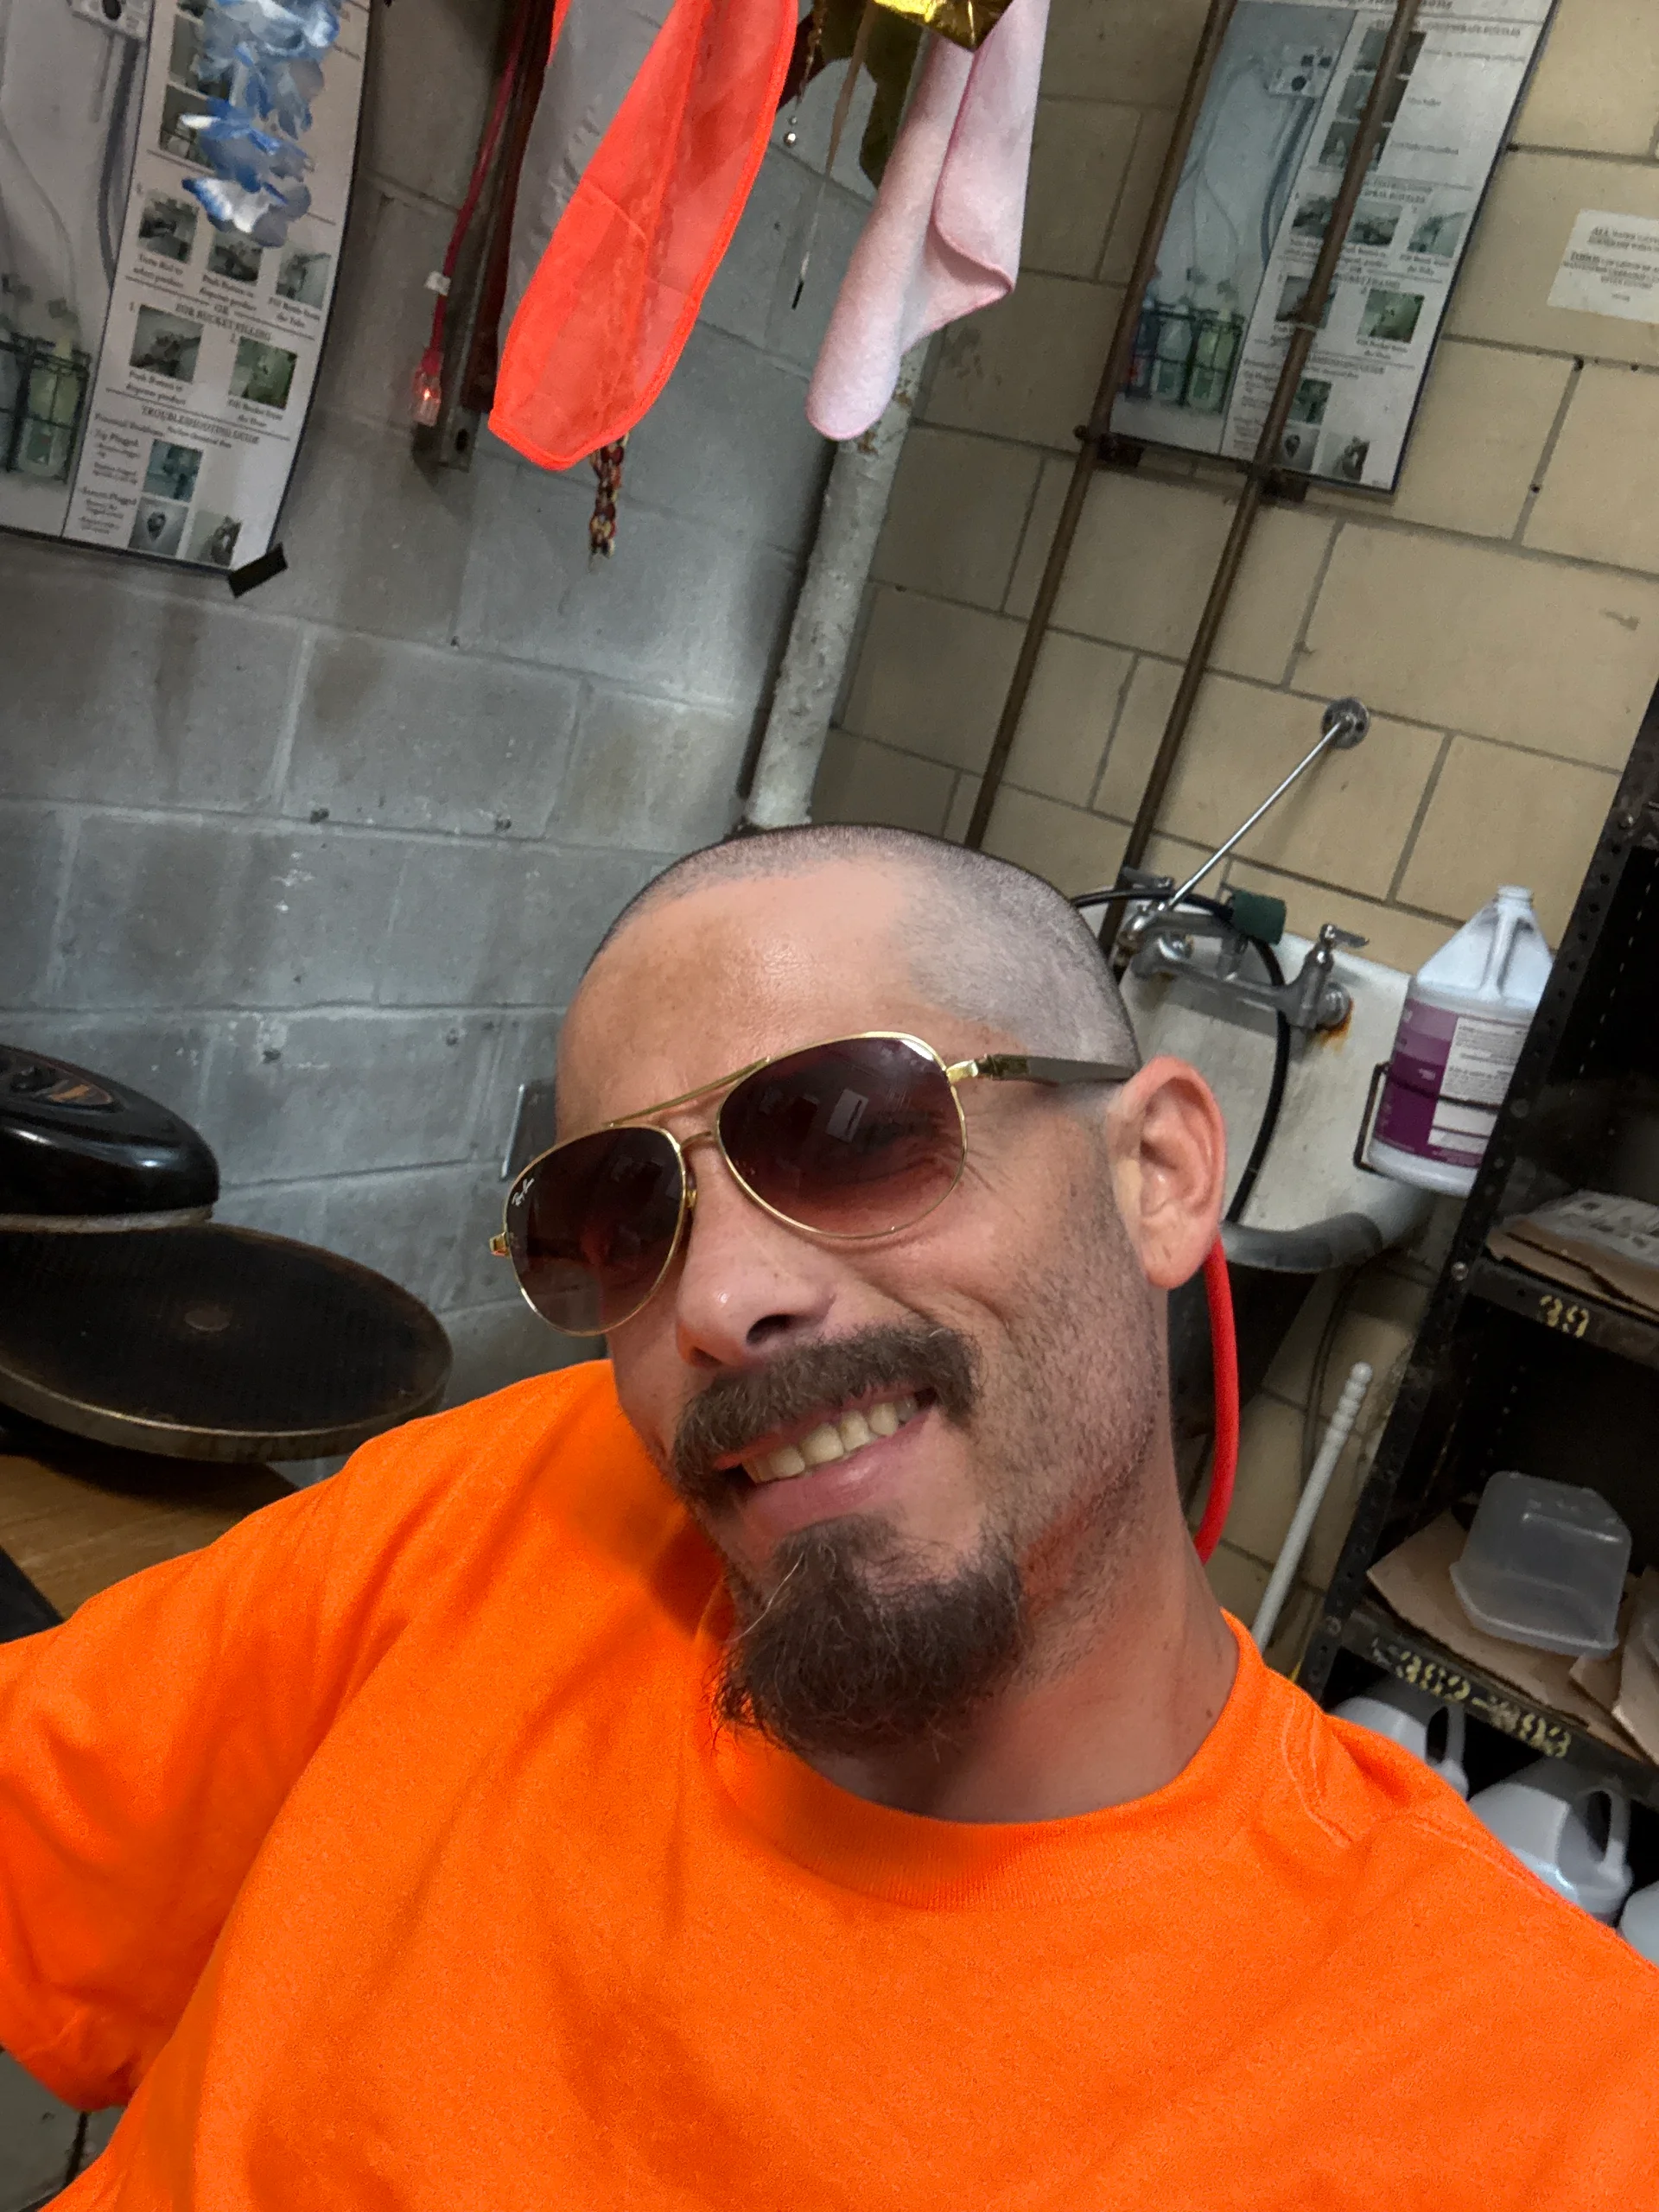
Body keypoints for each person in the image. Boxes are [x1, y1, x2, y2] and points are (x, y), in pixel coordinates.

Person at [1, 825, 1655, 2210]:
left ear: (1155, 1174)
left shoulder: (1538, 2109)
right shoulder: (529, 1501)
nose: (717, 1300)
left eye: (853, 1132)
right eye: (621, 1218)